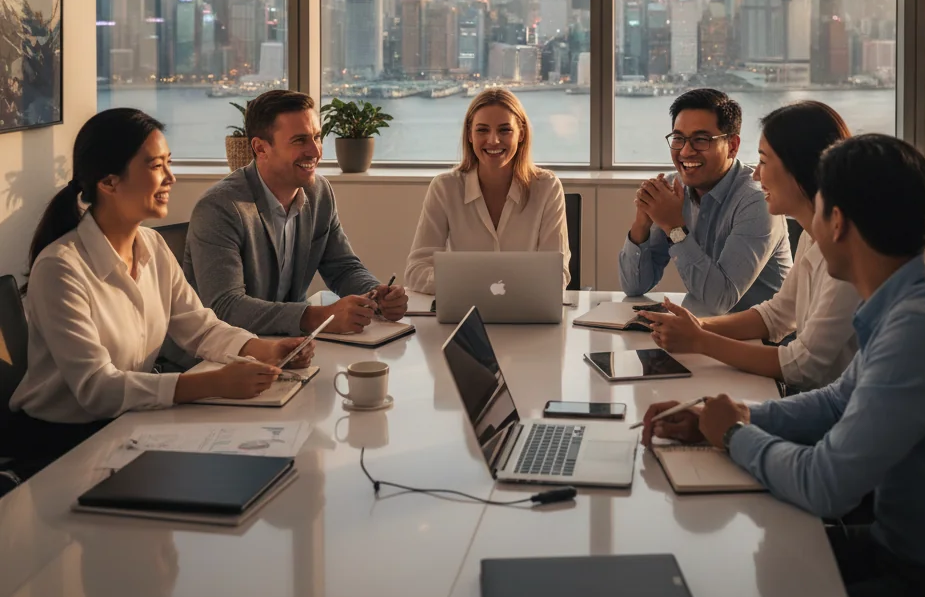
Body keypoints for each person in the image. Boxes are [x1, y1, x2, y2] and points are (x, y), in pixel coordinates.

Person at [641, 135, 925, 597]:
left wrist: (732, 435)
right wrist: (725, 415)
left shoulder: (920, 329)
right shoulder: (917, 295)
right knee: (732, 578)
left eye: (818, 209)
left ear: (837, 222)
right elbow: (834, 402)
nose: (812, 226)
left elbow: (825, 486)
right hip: (912, 542)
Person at [9, 109, 312, 478]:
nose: (171, 177)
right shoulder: (60, 268)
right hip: (61, 447)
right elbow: (97, 389)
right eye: (156, 166)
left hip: (129, 424)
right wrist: (213, 383)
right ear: (109, 182)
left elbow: (200, 328)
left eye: (169, 162)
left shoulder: (151, 245)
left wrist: (263, 349)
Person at [640, 102, 859, 389]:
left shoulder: (847, 252)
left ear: (802, 167)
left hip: (824, 401)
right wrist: (695, 327)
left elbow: (804, 366)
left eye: (764, 162)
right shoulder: (812, 235)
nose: (756, 175)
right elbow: (777, 315)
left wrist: (700, 340)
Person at [184, 90, 407, 338]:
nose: (315, 151)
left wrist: (377, 295)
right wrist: (320, 317)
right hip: (223, 352)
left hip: (288, 345)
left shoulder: (319, 193)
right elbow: (226, 307)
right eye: (300, 140)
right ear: (260, 148)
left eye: (317, 137)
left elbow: (343, 268)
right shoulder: (220, 207)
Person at [620, 88, 790, 315]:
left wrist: (674, 228)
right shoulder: (673, 189)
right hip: (702, 328)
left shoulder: (757, 200)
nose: (686, 151)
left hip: (763, 333)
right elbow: (634, 287)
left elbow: (720, 301)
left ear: (732, 146)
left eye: (700, 140)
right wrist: (642, 224)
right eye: (678, 138)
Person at [405, 88, 570, 294]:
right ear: (470, 135)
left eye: (504, 130)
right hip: (464, 310)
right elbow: (416, 271)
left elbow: (556, 275)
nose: (493, 140)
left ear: (521, 133)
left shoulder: (547, 187)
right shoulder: (445, 188)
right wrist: (477, 285)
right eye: (482, 130)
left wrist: (465, 282)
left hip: (527, 311)